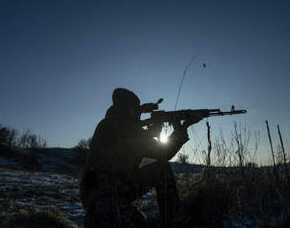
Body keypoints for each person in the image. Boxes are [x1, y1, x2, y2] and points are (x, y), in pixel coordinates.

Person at [80, 88, 200, 227]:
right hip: (99, 194)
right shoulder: (108, 126)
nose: (138, 114)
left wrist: (182, 128)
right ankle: (96, 219)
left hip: (120, 188)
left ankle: (173, 222)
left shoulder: (132, 128)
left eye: (138, 110)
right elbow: (124, 153)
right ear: (124, 109)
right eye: (134, 109)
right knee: (136, 222)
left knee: (161, 167)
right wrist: (150, 134)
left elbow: (162, 155)